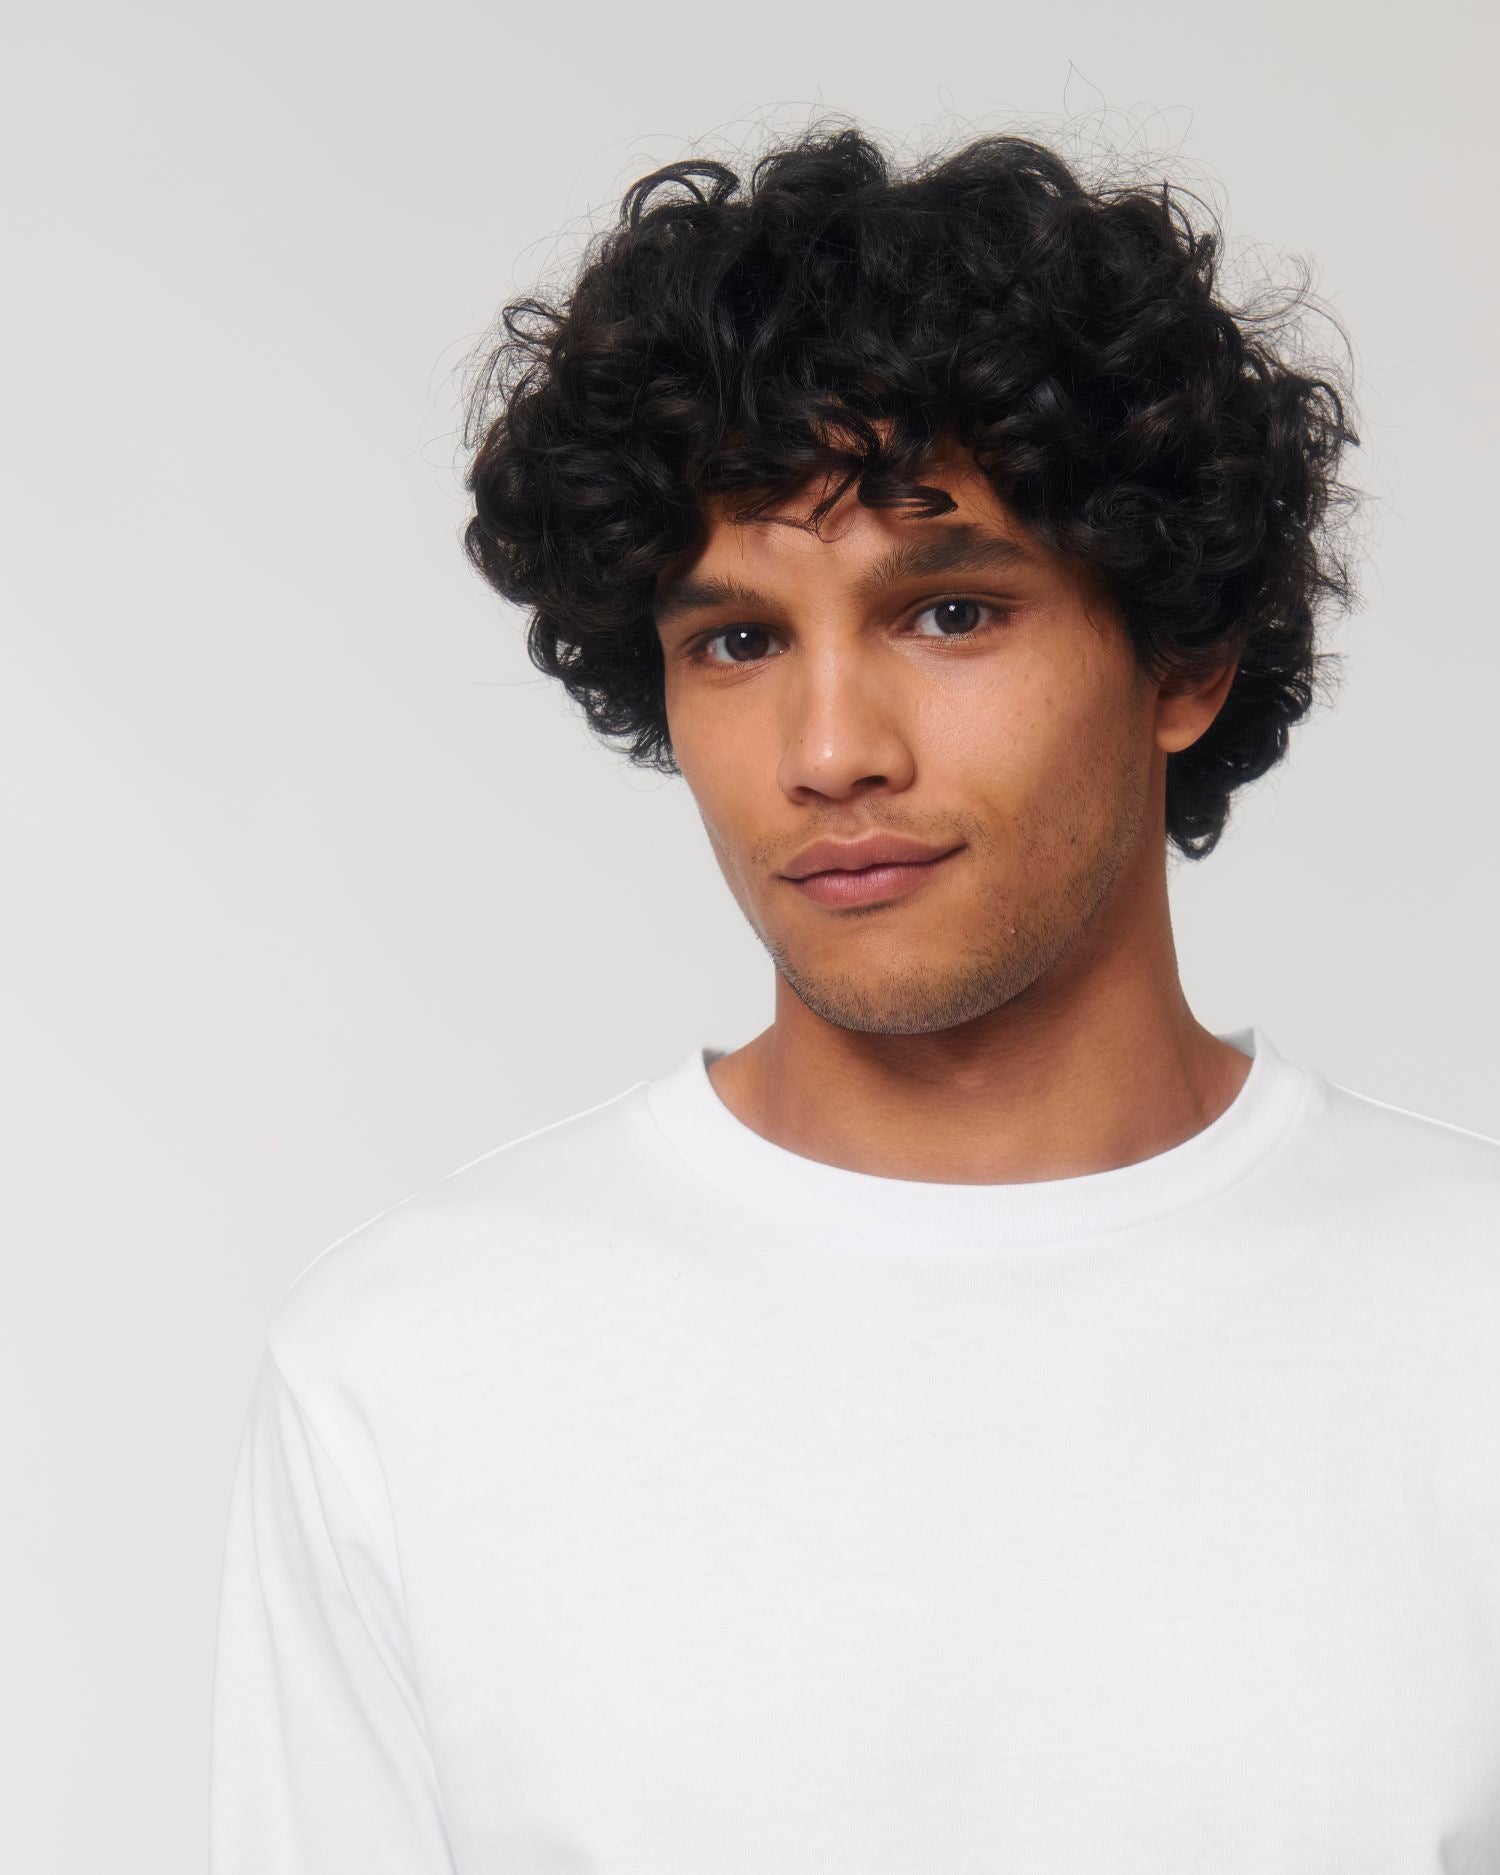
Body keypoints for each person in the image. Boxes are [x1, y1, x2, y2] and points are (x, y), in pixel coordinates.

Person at [208, 122, 1500, 1873]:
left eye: (949, 612)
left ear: (1185, 656)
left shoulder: (1468, 1328)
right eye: (737, 642)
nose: (829, 752)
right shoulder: (412, 1370)